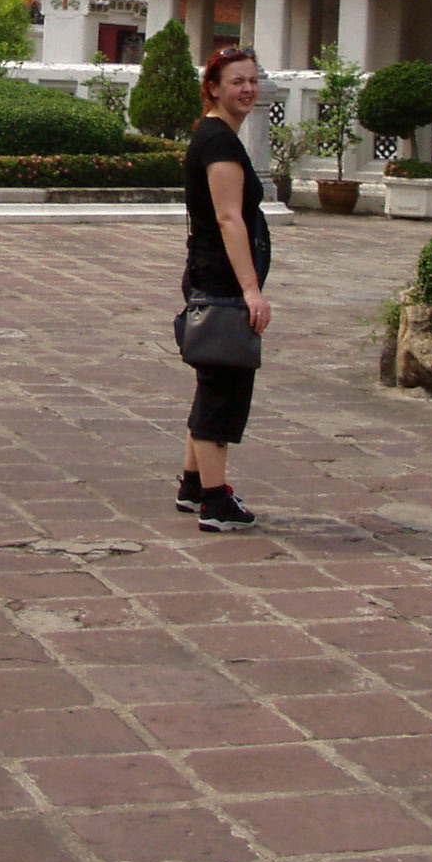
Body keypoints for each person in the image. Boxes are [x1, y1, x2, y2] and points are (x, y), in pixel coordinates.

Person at [177, 44, 272, 530]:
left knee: (212, 377)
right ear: (213, 87)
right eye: (237, 81)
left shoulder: (216, 135)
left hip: (213, 276)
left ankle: (194, 485)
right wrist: (251, 290)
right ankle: (215, 501)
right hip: (222, 283)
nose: (248, 89)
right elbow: (228, 217)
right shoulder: (218, 142)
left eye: (252, 80)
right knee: (223, 385)